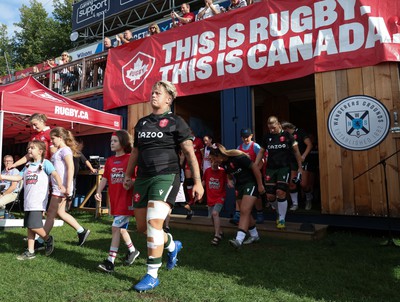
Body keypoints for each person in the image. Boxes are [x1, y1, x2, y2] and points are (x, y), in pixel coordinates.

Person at [123, 80, 204, 292]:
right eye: (152, 92)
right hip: (143, 178)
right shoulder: (142, 123)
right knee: (142, 228)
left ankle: (152, 275)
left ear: (169, 99)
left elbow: (189, 153)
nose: (153, 95)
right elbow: (135, 152)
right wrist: (129, 174)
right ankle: (172, 245)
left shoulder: (177, 122)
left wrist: (197, 181)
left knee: (153, 222)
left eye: (158, 93)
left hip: (166, 176)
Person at [0, 141, 65, 260]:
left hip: (38, 201)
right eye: (28, 148)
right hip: (28, 201)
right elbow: (19, 177)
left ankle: (47, 239)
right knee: (30, 227)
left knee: (33, 225)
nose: (29, 150)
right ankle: (30, 251)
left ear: (40, 151)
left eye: (32, 148)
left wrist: (60, 185)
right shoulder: (28, 165)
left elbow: (55, 174)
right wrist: (3, 176)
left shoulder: (46, 163)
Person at [35, 127, 91, 251]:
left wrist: (67, 186)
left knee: (50, 214)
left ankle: (40, 241)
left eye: (53, 139)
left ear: (60, 138)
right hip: (58, 187)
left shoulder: (65, 150)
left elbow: (70, 168)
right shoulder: (60, 150)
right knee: (61, 213)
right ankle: (82, 231)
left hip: (60, 189)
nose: (52, 142)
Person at [96, 130, 140, 273]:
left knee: (115, 228)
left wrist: (130, 182)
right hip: (114, 200)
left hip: (126, 200)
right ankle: (133, 251)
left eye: (115, 141)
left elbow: (137, 178)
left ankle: (110, 262)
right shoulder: (109, 161)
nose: (112, 143)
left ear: (123, 142)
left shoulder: (130, 158)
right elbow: (105, 178)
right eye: (111, 141)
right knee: (120, 229)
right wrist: (98, 191)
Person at [209, 143, 264, 249]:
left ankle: (239, 240)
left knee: (244, 210)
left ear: (219, 155)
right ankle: (255, 235)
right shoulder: (224, 164)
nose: (215, 161)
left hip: (250, 183)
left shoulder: (238, 157)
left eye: (214, 159)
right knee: (246, 212)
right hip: (240, 186)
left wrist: (260, 185)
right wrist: (229, 180)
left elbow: (255, 169)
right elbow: (229, 173)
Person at [255, 116, 304, 229]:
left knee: (280, 192)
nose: (271, 130)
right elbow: (261, 152)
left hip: (284, 168)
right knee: (270, 196)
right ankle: (278, 211)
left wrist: (300, 167)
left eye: (273, 128)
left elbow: (297, 152)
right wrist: (255, 165)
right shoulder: (267, 137)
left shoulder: (287, 136)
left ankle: (281, 219)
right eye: (269, 128)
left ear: (279, 125)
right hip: (270, 169)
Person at [281, 121, 314, 211]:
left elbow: (309, 145)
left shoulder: (300, 132)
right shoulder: (285, 136)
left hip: (303, 161)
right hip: (292, 162)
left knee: (303, 184)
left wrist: (303, 156)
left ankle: (308, 199)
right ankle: (295, 204)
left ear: (287, 129)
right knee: (292, 184)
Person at [236, 128, 265, 224]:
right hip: (243, 176)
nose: (245, 139)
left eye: (247, 137)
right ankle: (239, 214)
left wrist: (257, 170)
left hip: (254, 174)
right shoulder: (239, 148)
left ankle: (260, 213)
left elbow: (262, 160)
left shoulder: (255, 146)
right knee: (241, 195)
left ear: (251, 136)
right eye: (243, 137)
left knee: (257, 196)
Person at [202, 159, 227, 245]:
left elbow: (229, 180)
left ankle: (217, 236)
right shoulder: (208, 171)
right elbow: (204, 181)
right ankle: (220, 232)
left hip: (220, 197)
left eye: (218, 162)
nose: (216, 164)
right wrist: (200, 191)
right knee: (212, 217)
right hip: (210, 197)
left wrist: (231, 182)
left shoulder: (223, 171)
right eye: (214, 161)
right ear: (211, 161)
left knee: (215, 213)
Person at [183, 133, 203, 218]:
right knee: (188, 182)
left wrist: (202, 163)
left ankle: (198, 198)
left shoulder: (198, 141)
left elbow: (202, 153)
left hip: (197, 163)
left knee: (197, 181)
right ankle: (191, 199)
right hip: (188, 163)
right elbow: (184, 153)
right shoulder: (187, 141)